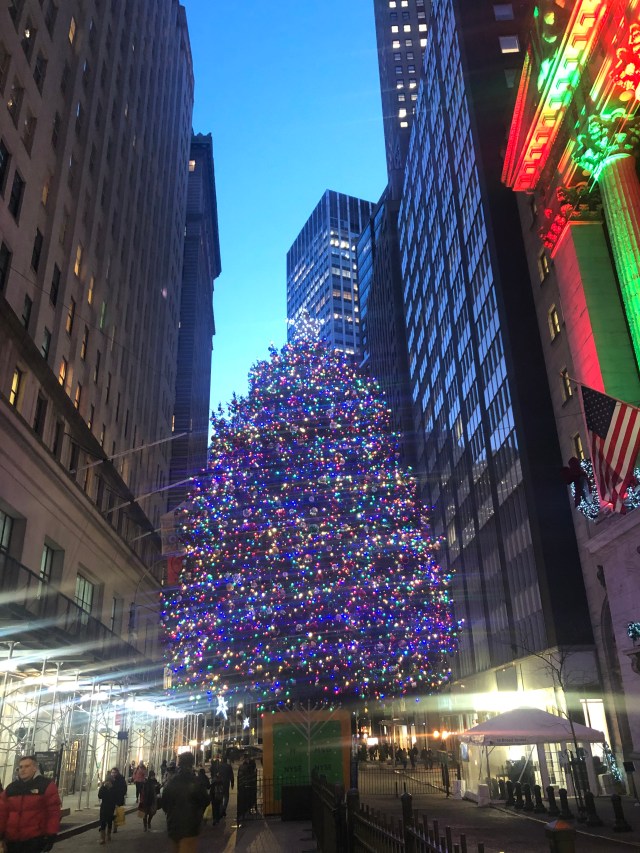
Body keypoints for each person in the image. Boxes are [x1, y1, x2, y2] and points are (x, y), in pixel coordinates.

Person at [0, 755, 61, 852]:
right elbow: (2, 813)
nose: (22, 770)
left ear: (35, 768)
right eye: (20, 767)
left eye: (27, 766)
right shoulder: (11, 788)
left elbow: (53, 812)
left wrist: (51, 834)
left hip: (34, 839)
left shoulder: (46, 786)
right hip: (12, 840)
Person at [161, 752, 209, 853]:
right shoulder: (195, 782)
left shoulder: (171, 782)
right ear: (191, 764)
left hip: (173, 827)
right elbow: (205, 800)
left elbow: (164, 803)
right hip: (190, 827)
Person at [97, 776, 118, 844]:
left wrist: (116, 805)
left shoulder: (114, 789)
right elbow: (100, 796)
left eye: (109, 782)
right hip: (104, 807)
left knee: (109, 821)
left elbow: (116, 797)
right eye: (107, 782)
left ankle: (108, 834)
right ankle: (102, 838)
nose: (108, 783)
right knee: (103, 822)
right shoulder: (103, 788)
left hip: (111, 807)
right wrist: (103, 787)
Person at [109, 767, 127, 833]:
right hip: (111, 799)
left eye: (114, 772)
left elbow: (124, 789)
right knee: (111, 813)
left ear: (117, 773)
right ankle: (111, 826)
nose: (113, 774)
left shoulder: (121, 779)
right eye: (112, 772)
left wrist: (122, 795)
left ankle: (115, 826)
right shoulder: (109, 780)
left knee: (117, 813)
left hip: (118, 799)